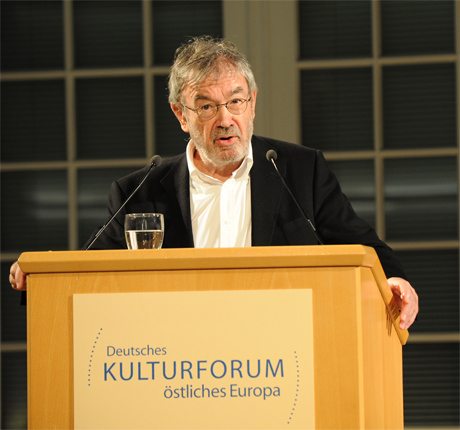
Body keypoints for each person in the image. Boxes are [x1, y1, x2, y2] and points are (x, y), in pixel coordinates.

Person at [10, 36, 418, 329]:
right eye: (206, 106)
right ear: (180, 115)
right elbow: (89, 277)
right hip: (181, 366)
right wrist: (41, 279)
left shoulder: (298, 171)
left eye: (235, 101)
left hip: (282, 351)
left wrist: (396, 281)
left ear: (252, 103)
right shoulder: (141, 192)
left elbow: (369, 250)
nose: (225, 119)